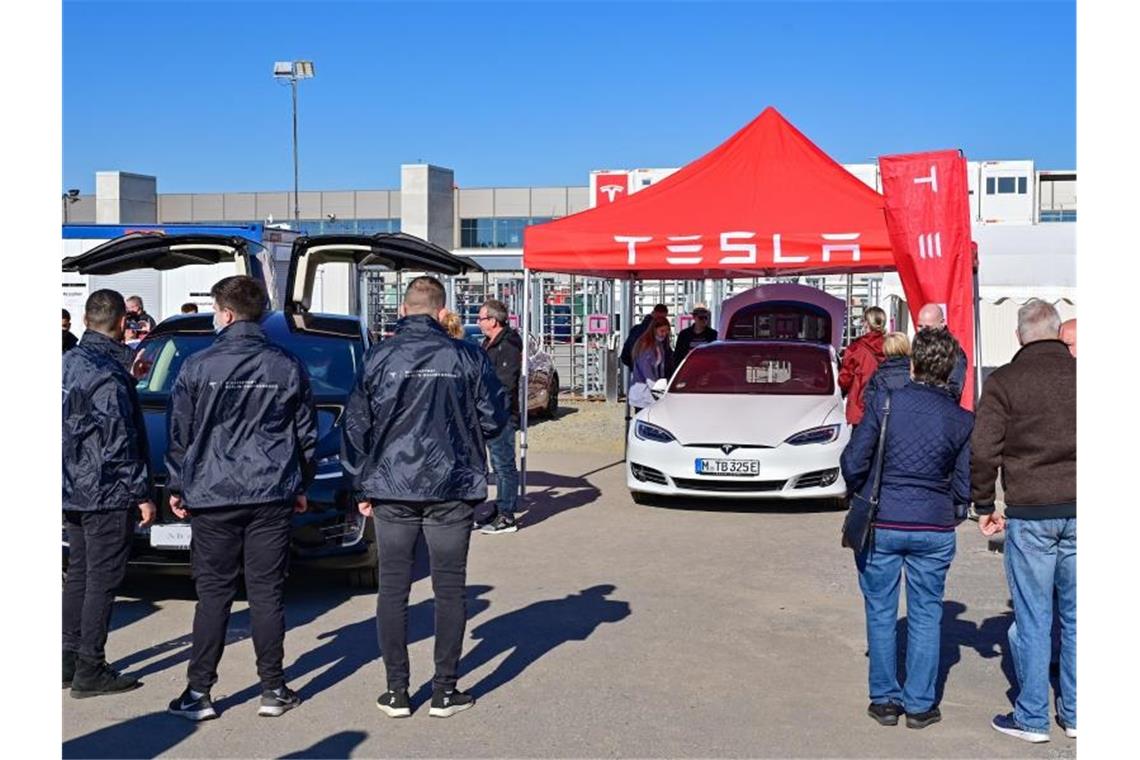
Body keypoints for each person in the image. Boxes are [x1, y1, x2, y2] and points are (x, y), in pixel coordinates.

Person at [342, 276, 508, 719]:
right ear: (440, 312)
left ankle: (397, 691)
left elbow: (355, 425)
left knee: (393, 587)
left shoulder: (379, 357)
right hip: (451, 484)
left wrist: (361, 484)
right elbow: (495, 419)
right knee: (448, 587)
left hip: (394, 485)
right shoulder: (466, 355)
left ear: (402, 311)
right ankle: (444, 690)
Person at [165, 275, 317, 722]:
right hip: (270, 492)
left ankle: (199, 692)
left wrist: (179, 486)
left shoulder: (198, 365)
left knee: (214, 594)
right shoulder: (286, 365)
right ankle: (272, 688)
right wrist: (300, 483)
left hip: (214, 493)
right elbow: (305, 433)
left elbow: (181, 435)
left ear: (226, 314)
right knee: (267, 593)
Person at [840, 327, 974, 730]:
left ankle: (884, 700)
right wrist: (948, 512)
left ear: (913, 363)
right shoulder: (962, 419)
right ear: (950, 369)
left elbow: (853, 461)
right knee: (927, 614)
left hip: (883, 520)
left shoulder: (885, 402)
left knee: (880, 611)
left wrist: (859, 488)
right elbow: (964, 484)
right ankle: (919, 705)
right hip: (934, 525)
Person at [971, 299, 1076, 743]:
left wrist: (983, 505)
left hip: (1031, 512)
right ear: (1056, 332)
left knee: (1034, 617)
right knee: (1079, 618)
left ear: (1019, 336)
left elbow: (982, 450)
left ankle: (1032, 717)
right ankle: (1076, 713)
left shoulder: (1004, 382)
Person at [62, 289, 156, 698]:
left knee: (80, 573)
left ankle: (67, 658)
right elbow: (119, 441)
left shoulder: (67, 363)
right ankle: (90, 668)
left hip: (71, 485)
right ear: (122, 324)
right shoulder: (107, 374)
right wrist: (141, 494)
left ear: (85, 320)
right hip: (105, 489)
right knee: (102, 578)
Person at [476, 299, 523, 535]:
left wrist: (493, 410)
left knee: (504, 465)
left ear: (493, 321)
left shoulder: (508, 344)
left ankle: (507, 515)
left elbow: (505, 383)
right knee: (496, 464)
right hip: (488, 413)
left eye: (482, 318)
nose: (479, 322)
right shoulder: (489, 342)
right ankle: (500, 507)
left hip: (500, 415)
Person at [838, 306, 887, 425]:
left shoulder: (856, 348)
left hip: (859, 407)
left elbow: (844, 380)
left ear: (867, 323)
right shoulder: (890, 346)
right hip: (885, 407)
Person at [916, 303, 967, 402]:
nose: (923, 332)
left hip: (939, 410)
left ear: (942, 323)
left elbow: (953, 391)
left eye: (928, 327)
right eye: (920, 326)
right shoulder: (917, 347)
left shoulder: (954, 353)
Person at [629, 316, 673, 411]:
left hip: (651, 394)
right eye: (662, 331)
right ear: (654, 330)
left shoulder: (659, 345)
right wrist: (659, 391)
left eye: (666, 331)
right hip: (643, 395)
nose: (664, 334)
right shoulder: (646, 348)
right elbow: (647, 374)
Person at [862, 331, 911, 407]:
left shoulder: (877, 376)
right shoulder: (917, 374)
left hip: (887, 417)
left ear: (886, 348)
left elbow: (869, 403)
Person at [620, 303, 668, 370]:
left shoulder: (635, 329)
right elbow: (665, 356)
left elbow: (624, 355)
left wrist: (635, 367)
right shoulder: (659, 335)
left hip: (636, 373)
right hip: (653, 375)